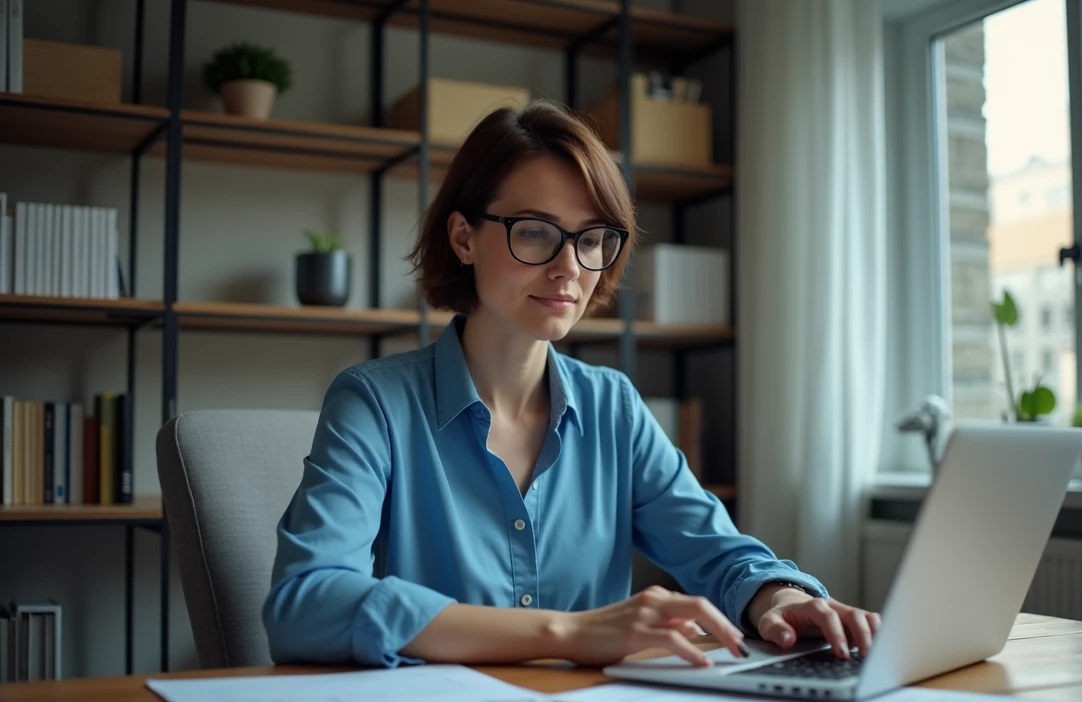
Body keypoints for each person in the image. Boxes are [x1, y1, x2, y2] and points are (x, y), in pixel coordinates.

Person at [263, 99, 880, 670]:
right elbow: (305, 602)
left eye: (590, 239)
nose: (569, 268)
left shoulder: (613, 407)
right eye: (534, 231)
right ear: (463, 238)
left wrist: (780, 599)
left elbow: (717, 551)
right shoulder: (375, 403)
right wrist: (567, 633)